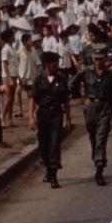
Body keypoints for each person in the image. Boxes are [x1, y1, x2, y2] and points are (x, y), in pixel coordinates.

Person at [70, 49, 112, 186]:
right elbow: (72, 84)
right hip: (91, 107)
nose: (98, 62)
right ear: (92, 59)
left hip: (105, 107)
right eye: (96, 59)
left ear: (105, 59)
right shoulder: (86, 72)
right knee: (93, 136)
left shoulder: (110, 75)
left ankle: (99, 170)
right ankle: (97, 156)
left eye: (101, 59)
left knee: (101, 138)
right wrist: (82, 98)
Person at [29, 51, 72, 189]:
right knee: (43, 146)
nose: (57, 65)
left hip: (56, 115)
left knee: (54, 145)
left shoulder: (61, 79)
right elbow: (32, 98)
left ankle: (53, 176)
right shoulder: (39, 79)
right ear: (47, 65)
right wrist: (31, 118)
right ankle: (48, 169)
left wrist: (68, 119)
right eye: (54, 63)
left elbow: (66, 100)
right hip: (42, 114)